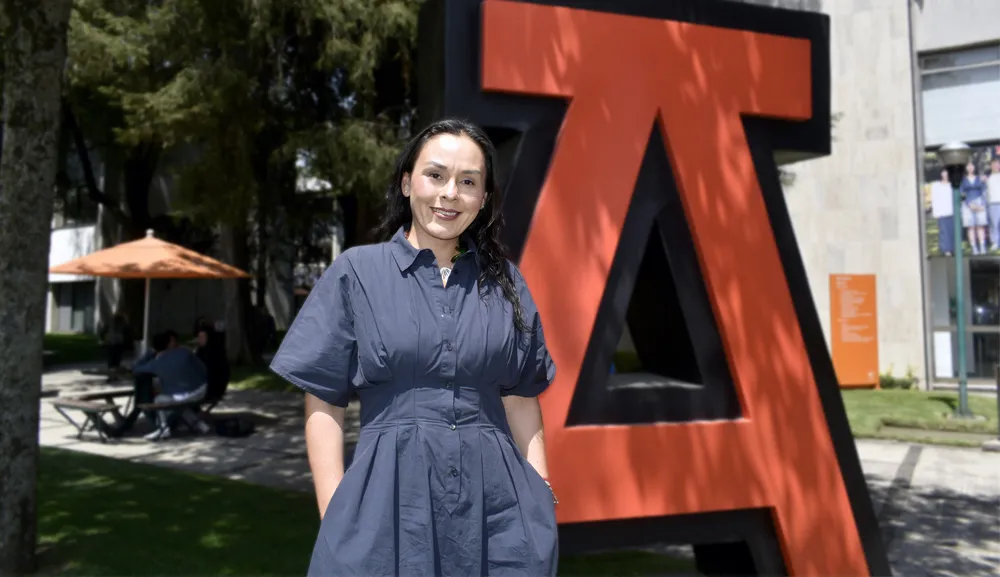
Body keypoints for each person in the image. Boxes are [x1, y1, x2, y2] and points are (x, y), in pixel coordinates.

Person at [270, 118, 559, 576]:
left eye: (468, 182)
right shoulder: (356, 274)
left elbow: (522, 398)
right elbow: (324, 401)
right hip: (384, 511)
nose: (449, 193)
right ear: (408, 183)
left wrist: (540, 490)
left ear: (482, 200)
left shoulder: (506, 284)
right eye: (436, 175)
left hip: (497, 514)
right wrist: (336, 509)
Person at [133, 330, 212, 440]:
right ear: (170, 343)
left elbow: (136, 368)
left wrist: (149, 353)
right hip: (201, 389)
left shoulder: (155, 364)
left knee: (160, 400)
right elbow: (203, 369)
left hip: (182, 395)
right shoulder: (184, 352)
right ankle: (199, 425)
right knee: (177, 401)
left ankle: (163, 427)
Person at [960, 161, 988, 255]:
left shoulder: (980, 178)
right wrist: (969, 204)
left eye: (972, 165)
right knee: (971, 227)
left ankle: (982, 247)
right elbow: (962, 193)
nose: (970, 167)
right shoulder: (963, 180)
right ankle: (974, 248)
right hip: (967, 204)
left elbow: (984, 190)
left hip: (980, 202)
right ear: (966, 168)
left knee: (980, 226)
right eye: (968, 165)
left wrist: (982, 204)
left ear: (974, 167)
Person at [930, 168, 955, 256]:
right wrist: (935, 212)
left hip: (952, 211)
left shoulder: (952, 184)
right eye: (943, 173)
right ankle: (946, 249)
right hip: (942, 212)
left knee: (953, 231)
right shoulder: (936, 185)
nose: (945, 174)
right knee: (944, 232)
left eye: (947, 173)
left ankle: (953, 249)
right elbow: (934, 199)